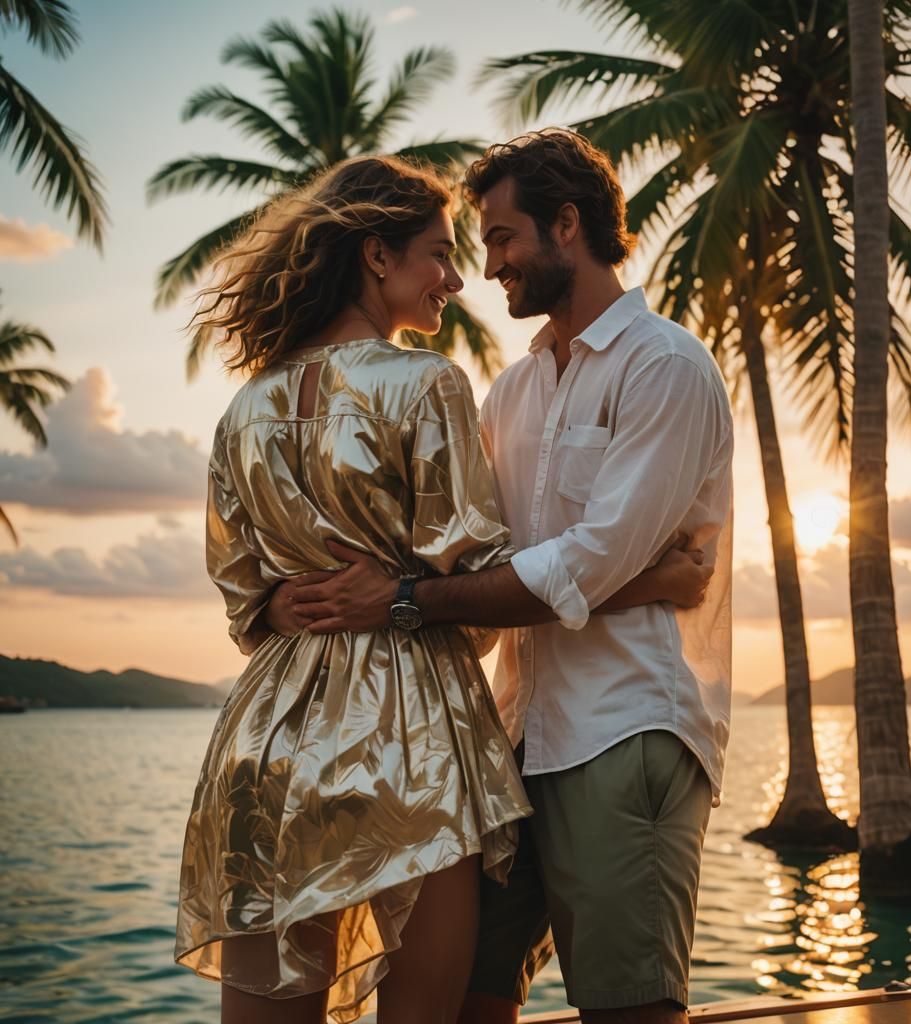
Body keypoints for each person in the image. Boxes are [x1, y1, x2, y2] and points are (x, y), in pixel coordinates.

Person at [177, 153, 713, 1024]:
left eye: (486, 243)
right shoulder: (432, 384)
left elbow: (246, 598)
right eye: (439, 252)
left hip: (266, 737)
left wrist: (285, 605)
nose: (462, 275)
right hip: (409, 734)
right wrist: (652, 579)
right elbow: (471, 588)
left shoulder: (244, 410)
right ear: (377, 257)